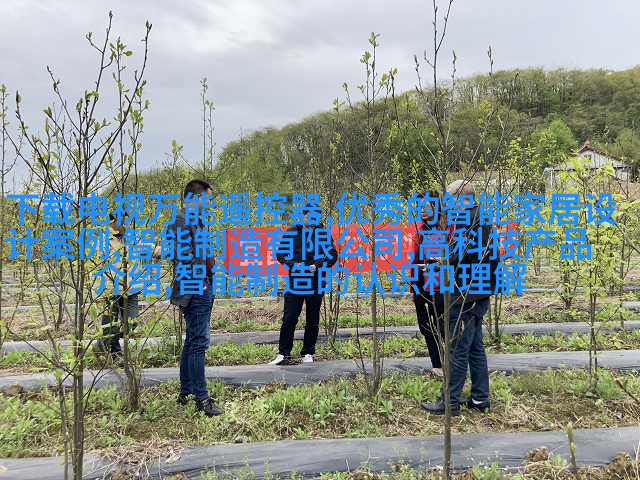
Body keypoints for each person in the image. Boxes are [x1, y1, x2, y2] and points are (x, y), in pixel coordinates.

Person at [420, 180, 499, 416]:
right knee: (475, 348)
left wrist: (439, 263)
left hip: (465, 295)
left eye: (449, 197)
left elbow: (461, 255)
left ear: (460, 197)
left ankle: (450, 401)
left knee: (457, 349)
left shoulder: (468, 220)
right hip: (479, 292)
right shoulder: (483, 217)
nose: (446, 202)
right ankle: (480, 397)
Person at [168, 179, 224, 417]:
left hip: (201, 285)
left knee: (192, 340)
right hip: (195, 287)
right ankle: (201, 399)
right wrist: (200, 280)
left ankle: (187, 390)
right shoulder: (181, 220)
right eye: (209, 198)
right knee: (199, 342)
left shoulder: (195, 220)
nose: (211, 203)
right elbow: (183, 255)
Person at [269, 205, 338, 365]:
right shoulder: (292, 232)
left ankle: (308, 352)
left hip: (316, 282)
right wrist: (294, 265)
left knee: (312, 320)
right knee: (289, 318)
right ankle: (283, 354)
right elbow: (281, 254)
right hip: (295, 283)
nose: (313, 221)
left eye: (316, 218)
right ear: (303, 216)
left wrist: (317, 266)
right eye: (310, 218)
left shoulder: (323, 234)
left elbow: (332, 256)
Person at [92, 211, 162, 363]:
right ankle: (114, 354)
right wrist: (98, 294)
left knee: (132, 323)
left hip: (130, 289)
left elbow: (150, 248)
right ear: (111, 222)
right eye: (121, 222)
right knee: (110, 326)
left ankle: (101, 344)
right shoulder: (102, 241)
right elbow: (97, 268)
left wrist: (169, 251)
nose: (125, 226)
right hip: (110, 291)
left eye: (127, 222)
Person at [409, 190, 452, 380]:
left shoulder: (447, 228)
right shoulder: (419, 229)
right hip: (421, 284)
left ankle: (450, 365)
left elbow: (452, 257)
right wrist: (413, 287)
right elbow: (414, 260)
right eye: (420, 207)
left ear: (437, 206)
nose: (423, 210)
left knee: (443, 327)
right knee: (426, 327)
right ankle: (437, 367)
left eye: (427, 206)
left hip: (441, 285)